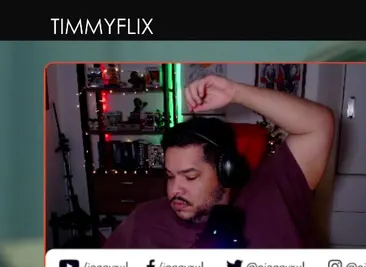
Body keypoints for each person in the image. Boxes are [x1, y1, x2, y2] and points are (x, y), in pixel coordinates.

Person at [105, 75, 335, 249]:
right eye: (170, 176)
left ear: (227, 170)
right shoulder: (144, 221)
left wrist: (236, 92)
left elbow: (319, 124)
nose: (174, 190)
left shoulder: (273, 195)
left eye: (190, 176)